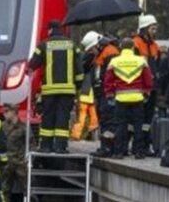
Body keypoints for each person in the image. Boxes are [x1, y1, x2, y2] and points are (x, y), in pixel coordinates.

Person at [28, 20, 83, 153]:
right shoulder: (73, 45)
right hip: (68, 90)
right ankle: (61, 147)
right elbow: (79, 70)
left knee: (48, 116)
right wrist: (77, 86)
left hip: (50, 91)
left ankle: (46, 146)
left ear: (51, 30)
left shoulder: (43, 45)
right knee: (63, 117)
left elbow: (32, 64)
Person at [103, 38, 154, 159]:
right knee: (138, 125)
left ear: (121, 47)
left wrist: (109, 94)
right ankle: (139, 151)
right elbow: (148, 79)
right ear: (132, 48)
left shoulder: (114, 61)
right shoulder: (141, 61)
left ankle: (119, 152)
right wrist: (146, 92)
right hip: (137, 98)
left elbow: (108, 80)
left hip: (120, 98)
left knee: (121, 125)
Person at [133, 15, 161, 156]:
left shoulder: (155, 46)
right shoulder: (136, 43)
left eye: (155, 28)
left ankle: (145, 145)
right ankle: (137, 146)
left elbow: (157, 66)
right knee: (138, 117)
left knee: (147, 118)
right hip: (140, 87)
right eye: (152, 28)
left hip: (152, 86)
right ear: (144, 29)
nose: (154, 31)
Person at [0, 103, 32, 202]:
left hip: (20, 162)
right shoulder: (2, 126)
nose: (4, 113)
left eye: (7, 111)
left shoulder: (24, 128)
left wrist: (27, 157)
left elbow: (30, 144)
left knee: (27, 188)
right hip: (6, 162)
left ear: (14, 112)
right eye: (4, 111)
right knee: (4, 190)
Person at [91, 36, 121, 157]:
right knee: (107, 120)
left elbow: (107, 76)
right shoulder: (105, 52)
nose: (91, 52)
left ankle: (107, 147)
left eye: (91, 49)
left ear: (97, 45)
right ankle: (108, 147)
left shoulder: (109, 53)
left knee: (108, 120)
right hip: (105, 93)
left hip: (108, 93)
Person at [71, 31, 102, 140]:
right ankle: (77, 135)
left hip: (88, 92)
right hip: (86, 92)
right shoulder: (88, 57)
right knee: (84, 115)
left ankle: (82, 134)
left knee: (90, 116)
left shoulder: (85, 57)